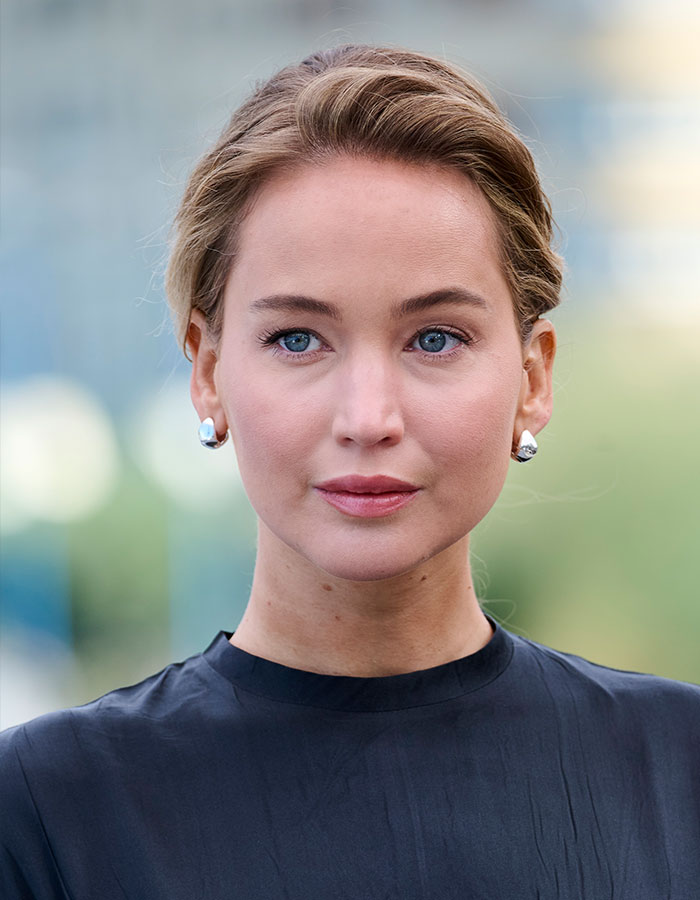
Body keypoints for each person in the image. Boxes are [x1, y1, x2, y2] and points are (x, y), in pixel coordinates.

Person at [1, 44, 698, 900]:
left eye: (435, 338)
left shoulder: (679, 769)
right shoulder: (46, 810)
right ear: (207, 371)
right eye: (298, 339)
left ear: (535, 377)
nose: (369, 418)